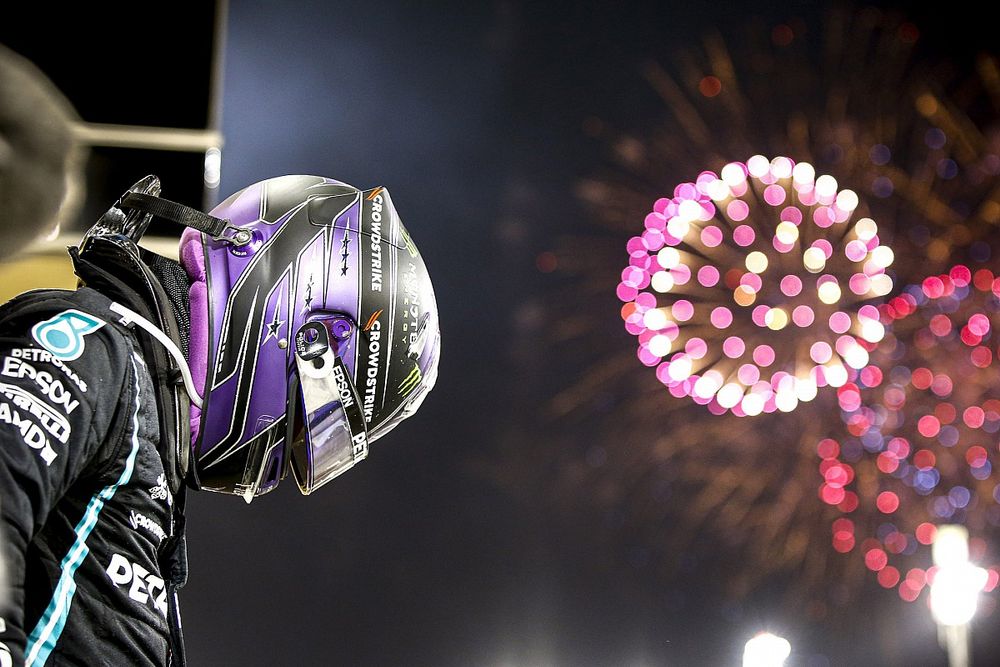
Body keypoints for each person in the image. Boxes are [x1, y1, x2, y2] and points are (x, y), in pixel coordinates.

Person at [0, 174, 441, 665]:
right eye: (317, 415)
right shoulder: (99, 349)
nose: (287, 447)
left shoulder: (154, 437)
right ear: (310, 335)